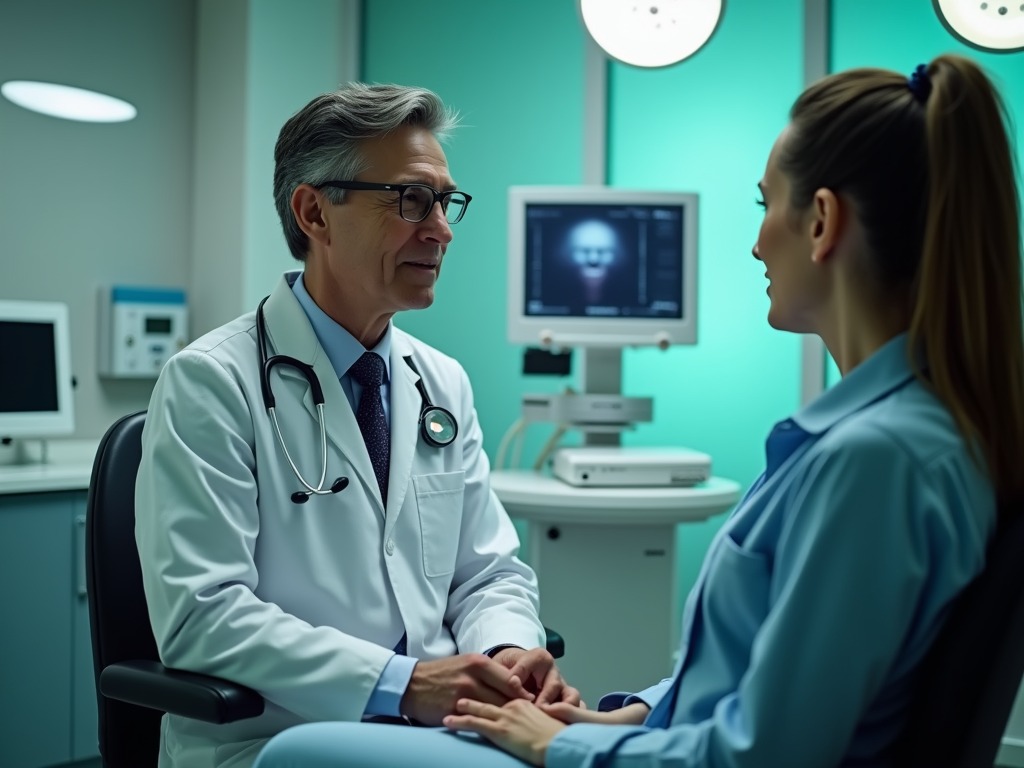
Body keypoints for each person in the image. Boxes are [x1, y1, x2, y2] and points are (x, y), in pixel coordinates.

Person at [250, 54, 1024, 768]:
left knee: (298, 758)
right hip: (623, 736)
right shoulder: (898, 439)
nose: (757, 244)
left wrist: (559, 745)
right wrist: (621, 719)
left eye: (766, 206)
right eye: (411, 201)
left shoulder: (874, 461)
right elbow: (751, 694)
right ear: (313, 215)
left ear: (821, 223)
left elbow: (764, 751)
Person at [134, 83, 578, 768]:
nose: (441, 228)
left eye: (445, 202)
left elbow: (486, 571)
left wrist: (507, 653)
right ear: (315, 211)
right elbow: (203, 613)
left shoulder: (442, 382)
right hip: (272, 740)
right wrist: (399, 685)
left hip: (437, 732)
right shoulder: (212, 382)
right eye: (410, 200)